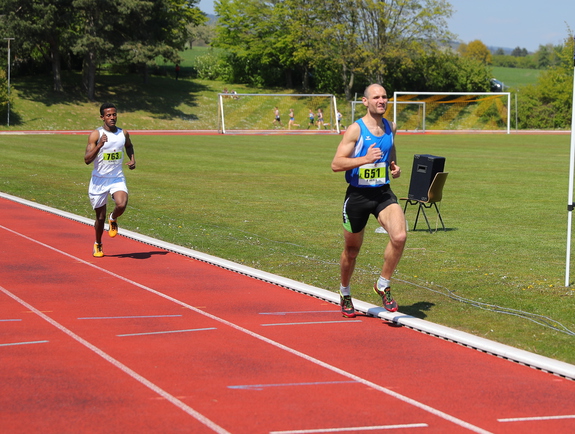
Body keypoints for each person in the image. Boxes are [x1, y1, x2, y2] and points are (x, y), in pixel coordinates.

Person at [331, 83, 406, 318]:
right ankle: (345, 292)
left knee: (399, 236)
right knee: (352, 250)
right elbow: (336, 164)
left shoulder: (391, 127)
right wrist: (364, 159)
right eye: (376, 97)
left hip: (382, 192)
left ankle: (383, 284)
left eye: (384, 97)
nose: (381, 101)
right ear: (365, 101)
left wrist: (393, 166)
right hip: (358, 195)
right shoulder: (355, 130)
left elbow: (390, 150)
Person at [84, 103, 136, 258]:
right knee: (100, 218)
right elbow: (87, 160)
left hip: (116, 177)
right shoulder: (96, 135)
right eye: (108, 115)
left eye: (114, 114)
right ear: (102, 117)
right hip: (99, 180)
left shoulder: (123, 133)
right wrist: (100, 145)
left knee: (121, 203)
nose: (112, 117)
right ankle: (98, 243)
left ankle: (113, 218)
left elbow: (129, 145)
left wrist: (132, 159)